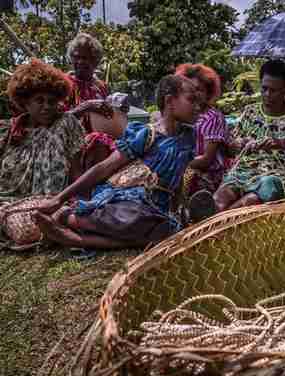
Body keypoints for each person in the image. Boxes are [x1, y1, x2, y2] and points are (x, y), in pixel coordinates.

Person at [32, 75, 202, 249]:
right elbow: (104, 167)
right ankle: (68, 219)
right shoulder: (146, 134)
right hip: (131, 201)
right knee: (135, 218)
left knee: (167, 230)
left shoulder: (189, 136)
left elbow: (178, 175)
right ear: (169, 101)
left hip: (158, 208)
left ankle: (71, 239)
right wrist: (59, 199)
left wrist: (177, 207)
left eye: (199, 103)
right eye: (192, 100)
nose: (198, 108)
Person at [188, 60, 285, 220]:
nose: (267, 95)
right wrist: (239, 144)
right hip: (244, 173)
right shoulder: (250, 113)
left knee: (254, 197)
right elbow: (231, 148)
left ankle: (212, 223)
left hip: (282, 176)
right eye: (264, 89)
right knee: (220, 198)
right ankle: (210, 219)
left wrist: (282, 144)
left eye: (273, 90)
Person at [0, 59, 85, 202]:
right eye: (39, 100)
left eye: (51, 101)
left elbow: (76, 171)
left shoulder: (65, 124)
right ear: (25, 103)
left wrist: (82, 202)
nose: (46, 106)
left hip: (47, 203)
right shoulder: (8, 130)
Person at [174, 64, 229, 197]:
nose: (195, 94)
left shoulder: (213, 117)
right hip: (183, 167)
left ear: (208, 93)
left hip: (207, 174)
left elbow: (206, 160)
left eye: (199, 89)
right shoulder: (182, 114)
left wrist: (175, 163)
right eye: (190, 89)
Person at [63, 32, 113, 171]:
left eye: (85, 58)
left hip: (103, 140)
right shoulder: (62, 84)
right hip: (72, 144)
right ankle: (90, 186)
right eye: (76, 57)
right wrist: (86, 107)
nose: (80, 62)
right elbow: (55, 121)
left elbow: (108, 117)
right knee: (98, 140)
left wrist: (118, 109)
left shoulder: (101, 87)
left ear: (95, 61)